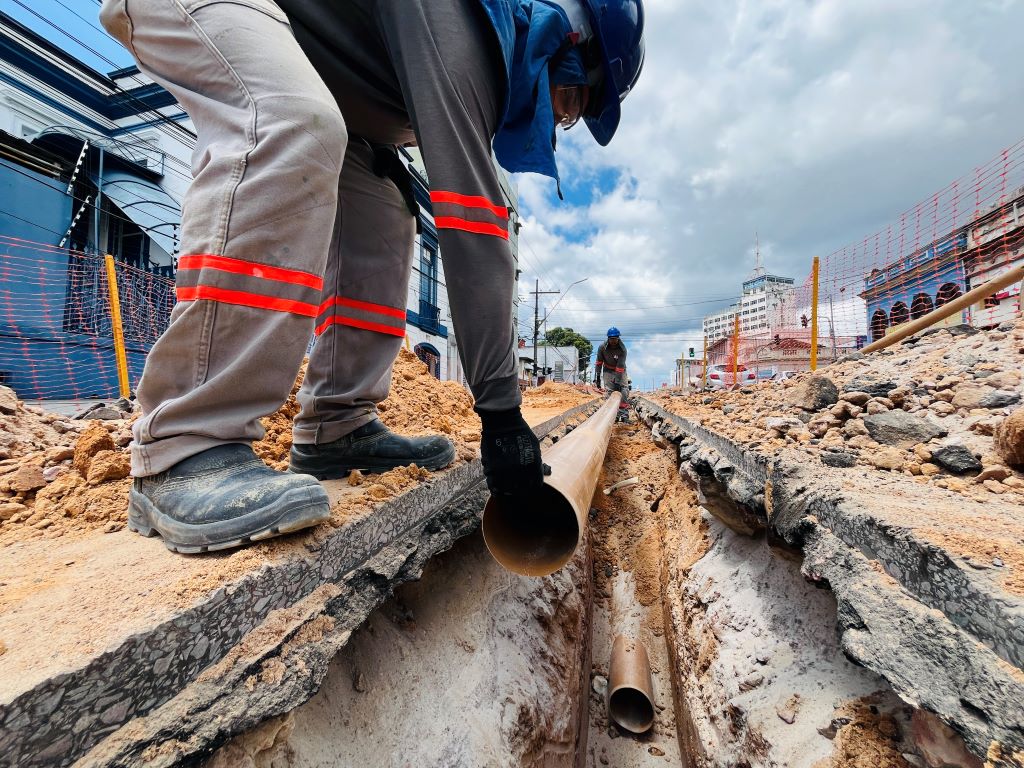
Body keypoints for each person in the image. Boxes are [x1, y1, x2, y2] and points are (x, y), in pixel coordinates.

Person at [98, 0, 645, 553]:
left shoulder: (479, 44)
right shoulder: (470, 25)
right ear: (566, 43)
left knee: (387, 205)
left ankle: (336, 427)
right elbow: (473, 222)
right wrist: (502, 416)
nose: (558, 118)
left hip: (333, 80)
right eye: (570, 101)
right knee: (292, 120)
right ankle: (185, 443)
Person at [595, 327, 631, 421]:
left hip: (620, 369)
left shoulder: (622, 349)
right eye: (611, 339)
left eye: (615, 338)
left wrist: (618, 382)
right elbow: (599, 362)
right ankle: (610, 414)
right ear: (608, 338)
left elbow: (620, 367)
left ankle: (623, 414)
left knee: (623, 389)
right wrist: (598, 377)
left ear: (618, 338)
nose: (613, 341)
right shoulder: (602, 347)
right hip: (607, 369)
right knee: (609, 391)